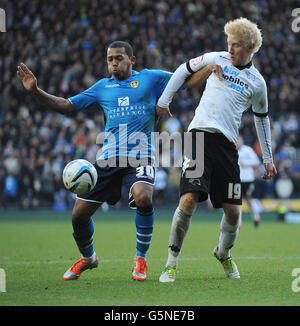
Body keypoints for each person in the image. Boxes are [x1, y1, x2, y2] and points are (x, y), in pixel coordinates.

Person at [17, 41, 209, 282]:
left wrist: (209, 69)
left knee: (144, 197)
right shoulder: (101, 87)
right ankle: (88, 258)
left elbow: (184, 79)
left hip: (141, 154)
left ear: (132, 60)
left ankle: (140, 258)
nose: (114, 63)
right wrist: (35, 91)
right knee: (78, 217)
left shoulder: (150, 78)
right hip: (108, 160)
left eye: (119, 58)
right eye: (110, 59)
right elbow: (67, 106)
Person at [156, 17, 277, 282]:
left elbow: (261, 118)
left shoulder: (258, 83)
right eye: (229, 43)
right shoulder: (217, 58)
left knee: (234, 212)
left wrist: (268, 159)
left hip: (226, 145)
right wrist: (165, 101)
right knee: (188, 201)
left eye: (235, 45)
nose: (230, 49)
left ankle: (223, 252)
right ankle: (171, 261)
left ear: (250, 47)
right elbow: (181, 70)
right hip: (198, 136)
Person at [236, 135, 261, 228]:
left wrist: (244, 163)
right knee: (237, 201)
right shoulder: (231, 151)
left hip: (248, 179)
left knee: (249, 200)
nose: (237, 142)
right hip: (236, 179)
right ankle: (239, 223)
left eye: (238, 140)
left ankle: (256, 217)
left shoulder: (248, 150)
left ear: (242, 141)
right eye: (236, 141)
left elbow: (256, 161)